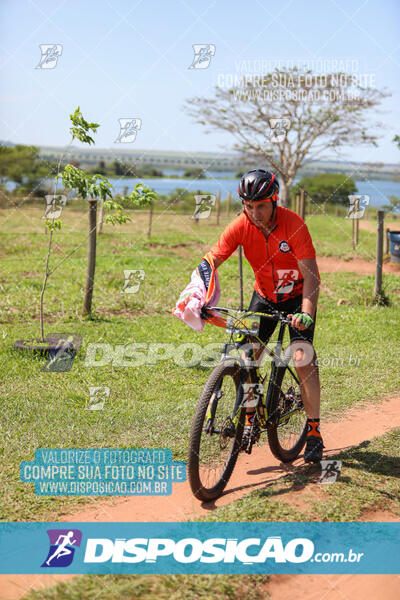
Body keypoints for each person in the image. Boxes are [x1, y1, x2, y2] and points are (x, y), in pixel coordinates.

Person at [196, 169, 324, 463]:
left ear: (274, 200)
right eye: (248, 206)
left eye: (261, 206)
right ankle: (250, 418)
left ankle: (314, 431)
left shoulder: (294, 225)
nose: (254, 213)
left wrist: (306, 314)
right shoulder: (241, 225)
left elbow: (311, 277)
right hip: (264, 296)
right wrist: (196, 293)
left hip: (296, 297)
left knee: (303, 357)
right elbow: (212, 260)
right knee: (248, 357)